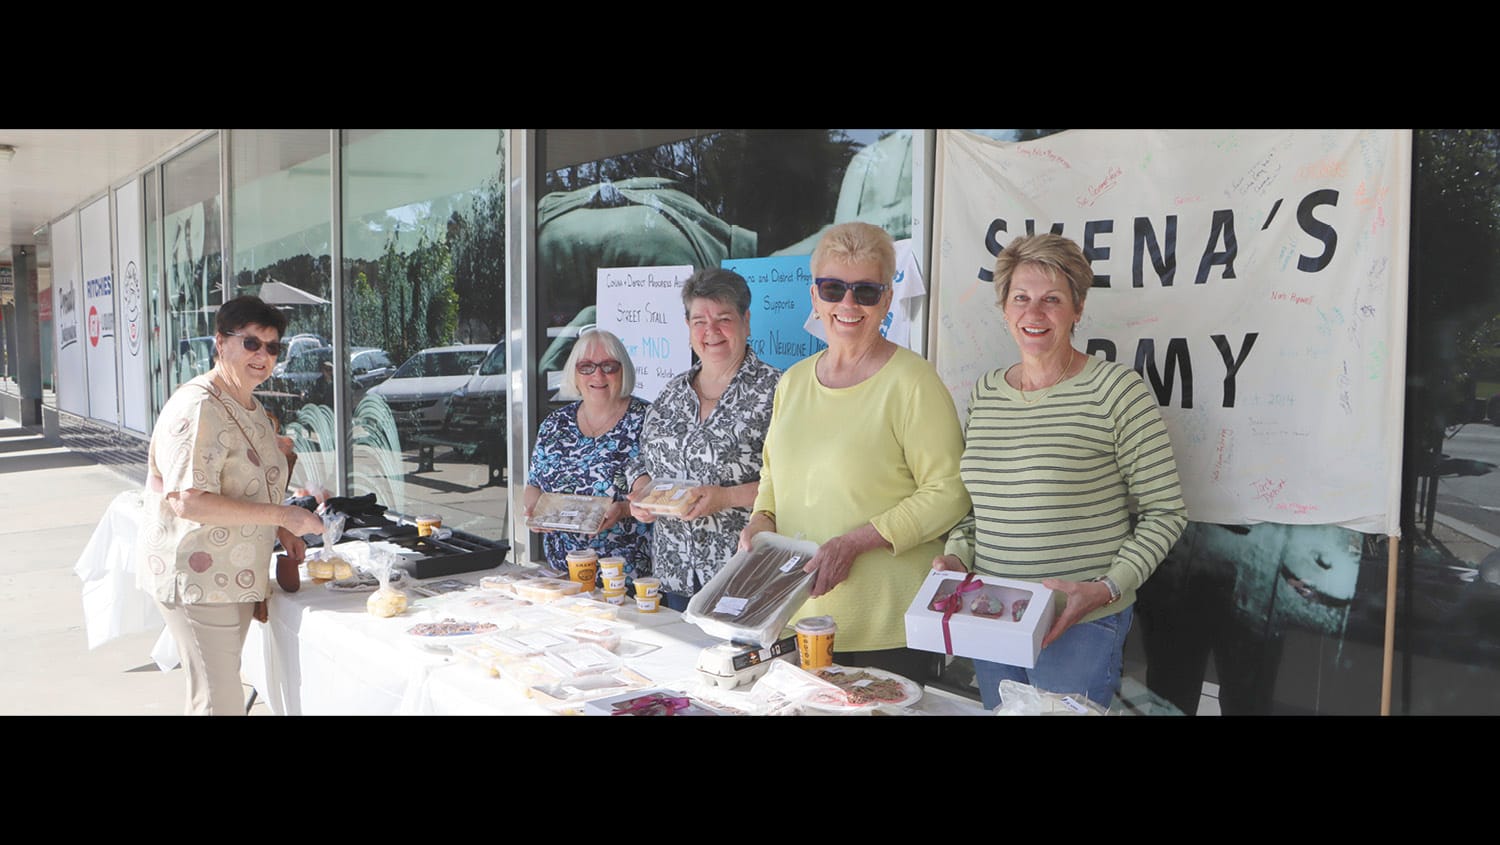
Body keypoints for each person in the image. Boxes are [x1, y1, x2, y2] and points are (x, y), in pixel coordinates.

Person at [932, 232, 1188, 711]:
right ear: (1004, 308)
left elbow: (1166, 511)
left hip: (1079, 624)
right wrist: (957, 558)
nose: (1034, 313)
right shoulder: (986, 393)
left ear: (1078, 308)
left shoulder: (1117, 391)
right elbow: (976, 510)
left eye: (1052, 300)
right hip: (992, 615)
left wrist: (1108, 587)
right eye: (1021, 298)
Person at [740, 221, 970, 681]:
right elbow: (772, 474)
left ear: (886, 299)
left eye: (865, 291)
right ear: (814, 296)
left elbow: (950, 492)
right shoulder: (794, 381)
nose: (847, 304)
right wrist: (760, 521)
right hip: (795, 618)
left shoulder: (913, 382)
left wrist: (856, 542)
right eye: (833, 288)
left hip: (886, 630)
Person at [134, 295, 325, 715]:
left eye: (272, 347)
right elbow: (188, 501)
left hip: (233, 571)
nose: (263, 356)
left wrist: (281, 530)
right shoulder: (200, 405)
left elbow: (244, 488)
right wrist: (282, 515)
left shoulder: (250, 404)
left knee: (220, 694)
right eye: (251, 343)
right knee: (218, 701)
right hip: (198, 575)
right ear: (221, 343)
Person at [625, 267, 782, 609]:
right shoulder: (671, 394)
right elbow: (640, 456)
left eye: (723, 318)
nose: (710, 331)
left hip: (743, 573)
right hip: (673, 573)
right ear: (688, 328)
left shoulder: (779, 391)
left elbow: (797, 480)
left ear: (746, 321)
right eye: (699, 320)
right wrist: (641, 491)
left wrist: (725, 497)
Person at [524, 329, 653, 580]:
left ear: (623, 370)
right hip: (562, 572)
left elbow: (657, 494)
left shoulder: (648, 419)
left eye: (608, 366)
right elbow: (534, 485)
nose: (597, 374)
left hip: (624, 575)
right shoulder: (555, 424)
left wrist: (624, 510)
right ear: (575, 373)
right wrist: (534, 510)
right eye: (586, 367)